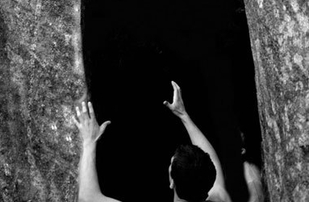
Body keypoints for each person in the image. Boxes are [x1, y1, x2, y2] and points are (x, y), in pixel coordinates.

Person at [73, 82, 264, 202]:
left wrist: (89, 141)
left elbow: (87, 197)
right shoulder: (219, 198)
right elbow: (211, 159)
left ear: (171, 181)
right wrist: (184, 116)